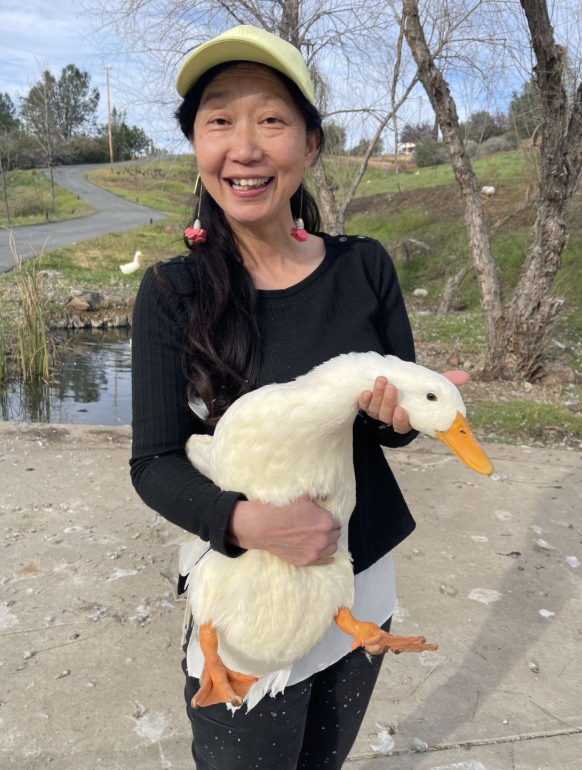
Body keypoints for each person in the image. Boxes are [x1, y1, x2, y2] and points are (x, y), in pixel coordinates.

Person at [130, 24, 467, 770]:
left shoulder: (364, 267)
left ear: (310, 145)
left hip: (358, 583)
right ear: (196, 144)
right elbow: (154, 462)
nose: (244, 147)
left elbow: (392, 435)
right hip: (245, 596)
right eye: (219, 120)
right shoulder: (172, 292)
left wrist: (405, 417)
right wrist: (248, 521)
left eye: (271, 119)